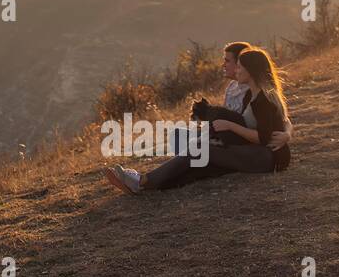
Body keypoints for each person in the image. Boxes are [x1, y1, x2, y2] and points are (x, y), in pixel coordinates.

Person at [104, 45, 292, 194]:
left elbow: (264, 138)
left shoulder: (263, 101)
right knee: (203, 164)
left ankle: (141, 181)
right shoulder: (248, 96)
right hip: (250, 151)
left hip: (267, 158)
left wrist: (230, 126)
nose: (238, 71)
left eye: (241, 67)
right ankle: (146, 185)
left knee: (200, 150)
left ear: (250, 70)